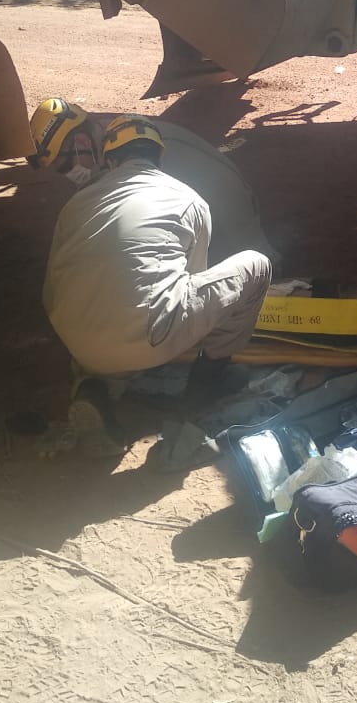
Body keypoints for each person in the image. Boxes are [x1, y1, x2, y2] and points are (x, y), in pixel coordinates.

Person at [29, 100, 272, 455]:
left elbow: (53, 289)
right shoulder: (189, 198)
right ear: (159, 157)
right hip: (152, 335)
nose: (70, 171)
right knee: (256, 263)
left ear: (107, 159)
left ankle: (91, 388)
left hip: (78, 343)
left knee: (105, 307)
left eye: (67, 161)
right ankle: (208, 381)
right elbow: (192, 279)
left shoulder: (76, 205)